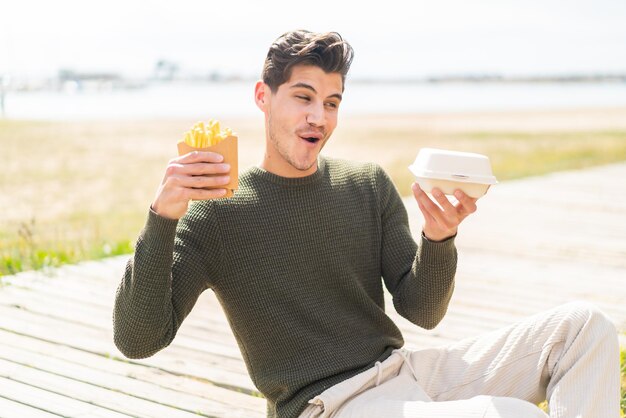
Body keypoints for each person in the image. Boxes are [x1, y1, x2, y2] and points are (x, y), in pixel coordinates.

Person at [113, 30, 620, 418]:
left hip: (408, 373)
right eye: (303, 97)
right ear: (263, 97)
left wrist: (438, 238)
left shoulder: (366, 183)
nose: (319, 117)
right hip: (330, 404)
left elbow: (420, 310)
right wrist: (163, 218)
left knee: (585, 327)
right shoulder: (216, 213)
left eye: (332, 103)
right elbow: (137, 339)